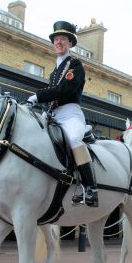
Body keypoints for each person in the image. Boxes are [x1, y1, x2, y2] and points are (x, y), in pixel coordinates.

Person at [27, 21, 98, 207]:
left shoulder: (75, 65)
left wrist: (37, 96)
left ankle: (91, 188)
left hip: (70, 114)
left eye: (63, 39)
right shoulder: (54, 71)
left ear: (70, 43)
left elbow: (63, 90)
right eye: (56, 39)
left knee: (74, 140)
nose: (58, 42)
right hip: (54, 116)